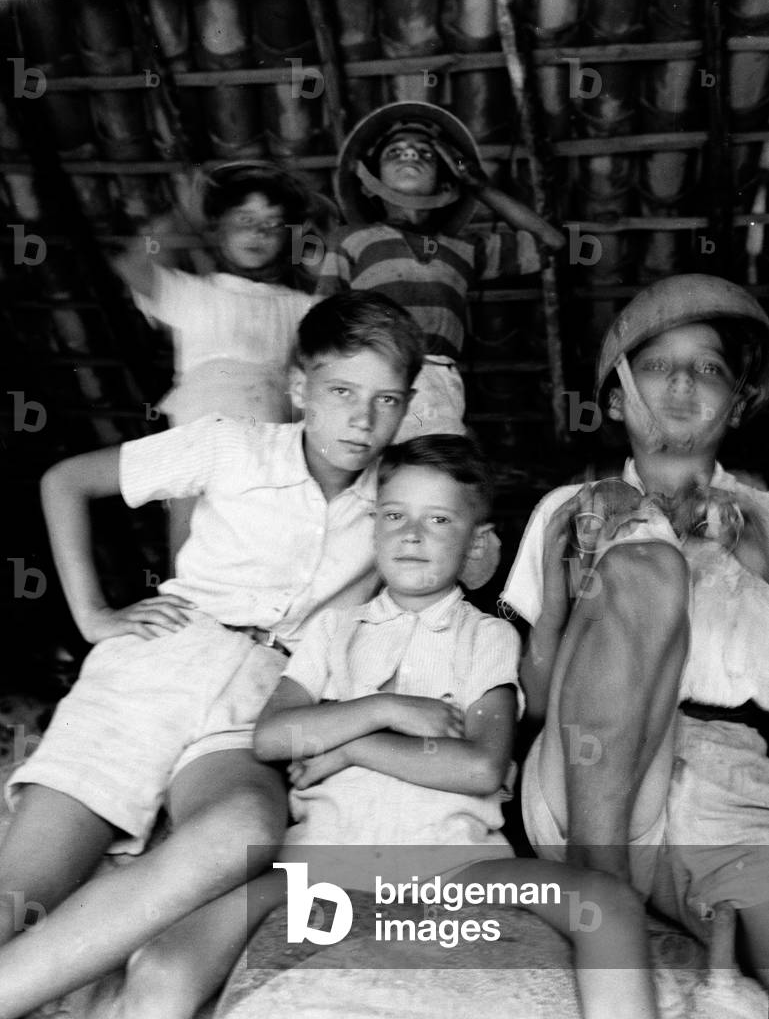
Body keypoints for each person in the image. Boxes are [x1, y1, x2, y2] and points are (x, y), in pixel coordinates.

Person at [90, 435, 658, 1019]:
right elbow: (273, 737)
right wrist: (383, 712)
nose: (411, 534)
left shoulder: (486, 635)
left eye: (439, 519)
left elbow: (480, 766)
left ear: (475, 544)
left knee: (606, 902)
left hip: (455, 867)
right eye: (394, 515)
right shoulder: (332, 631)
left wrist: (351, 747)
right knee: (162, 966)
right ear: (374, 529)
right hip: (316, 866)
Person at [0, 291, 425, 1019]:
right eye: (341, 392)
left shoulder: (395, 504)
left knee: (247, 832)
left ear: (407, 404)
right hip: (158, 661)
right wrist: (94, 616)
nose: (362, 418)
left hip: (262, 695)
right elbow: (65, 481)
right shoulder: (230, 442)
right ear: (299, 388)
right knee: (19, 894)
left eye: (385, 400)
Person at [500, 274, 769, 988]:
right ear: (617, 397)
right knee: (646, 567)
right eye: (655, 364)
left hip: (728, 783)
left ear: (736, 405)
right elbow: (531, 701)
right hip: (583, 781)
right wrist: (569, 579)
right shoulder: (567, 507)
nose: (682, 381)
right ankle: (603, 897)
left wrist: (751, 544)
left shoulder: (764, 514)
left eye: (708, 368)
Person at [317, 102, 566, 441]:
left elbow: (551, 241)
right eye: (395, 153)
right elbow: (321, 321)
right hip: (370, 373)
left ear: (446, 180)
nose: (410, 157)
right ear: (368, 182)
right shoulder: (351, 239)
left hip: (439, 381)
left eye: (426, 154)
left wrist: (480, 186)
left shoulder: (464, 248)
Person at [113, 160, 321, 559]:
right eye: (244, 218)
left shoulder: (301, 307)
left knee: (260, 549)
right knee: (191, 548)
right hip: (197, 444)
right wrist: (184, 215)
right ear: (217, 227)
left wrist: (316, 242)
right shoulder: (195, 294)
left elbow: (345, 322)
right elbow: (133, 266)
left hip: (268, 450)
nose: (258, 233)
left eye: (273, 224)